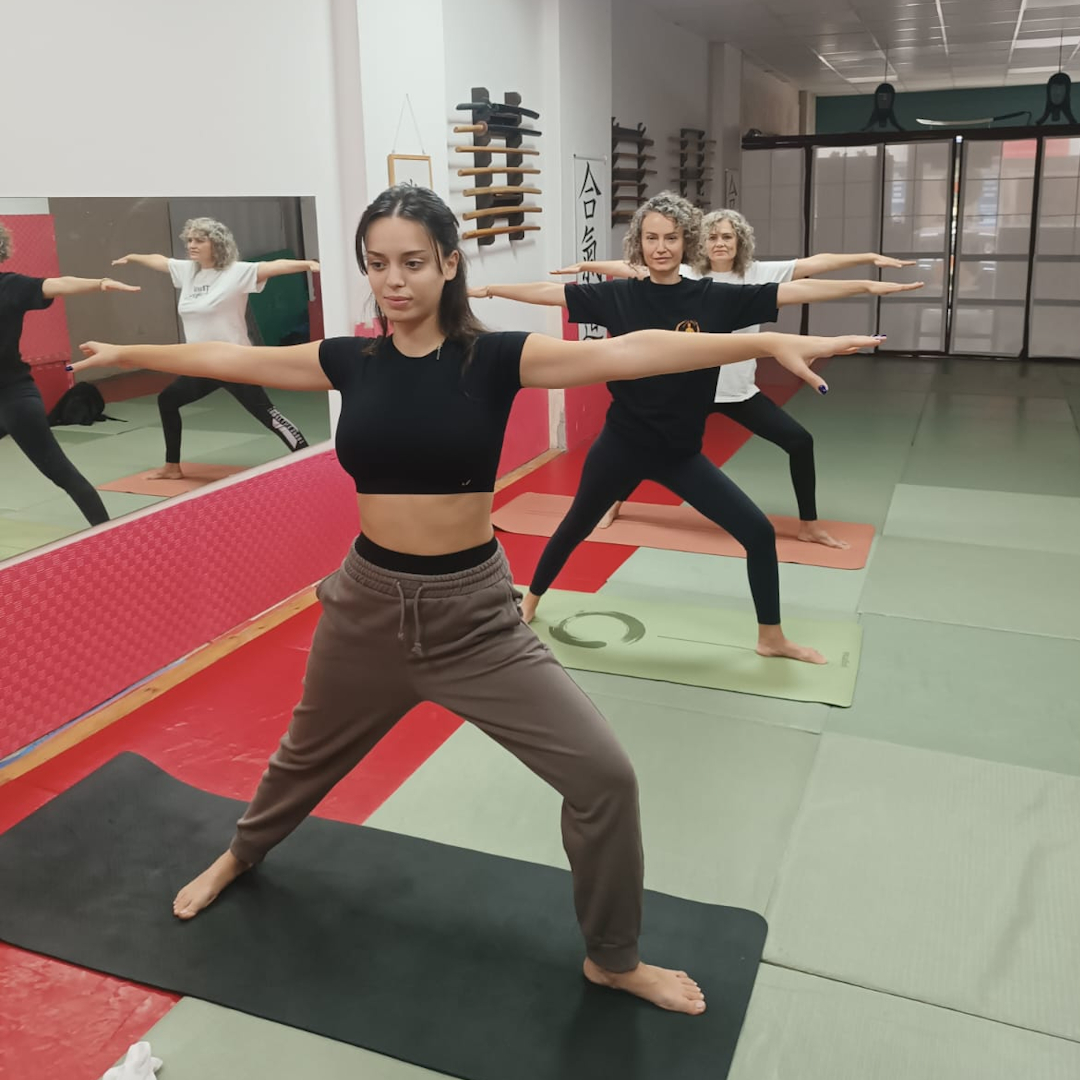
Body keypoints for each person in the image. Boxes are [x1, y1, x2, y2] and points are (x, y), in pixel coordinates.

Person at [72, 184, 879, 1017]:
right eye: (377, 264)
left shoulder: (494, 359)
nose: (394, 280)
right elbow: (233, 362)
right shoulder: (351, 361)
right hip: (367, 606)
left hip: (475, 617)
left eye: (413, 263)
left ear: (449, 264)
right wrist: (128, 350)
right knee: (303, 759)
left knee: (605, 779)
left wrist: (769, 339)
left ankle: (613, 958)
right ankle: (241, 854)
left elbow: (631, 353)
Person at [471, 192, 919, 659]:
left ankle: (771, 638)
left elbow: (792, 291)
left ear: (687, 242)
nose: (660, 247)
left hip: (679, 453)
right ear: (638, 243)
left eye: (670, 238)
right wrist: (491, 290)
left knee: (758, 533)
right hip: (620, 445)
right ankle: (530, 602)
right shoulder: (617, 295)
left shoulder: (714, 298)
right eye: (651, 238)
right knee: (573, 527)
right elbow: (551, 293)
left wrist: (864, 287)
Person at [556, 208, 915, 543]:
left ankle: (809, 525)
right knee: (645, 444)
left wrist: (867, 264)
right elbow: (632, 268)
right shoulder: (688, 275)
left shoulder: (758, 275)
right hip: (687, 393)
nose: (720, 244)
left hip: (737, 392)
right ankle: (613, 503)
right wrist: (588, 264)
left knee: (799, 441)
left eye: (727, 237)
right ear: (700, 243)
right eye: (712, 237)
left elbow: (815, 265)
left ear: (739, 240)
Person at [112, 217, 317, 480]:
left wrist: (308, 264)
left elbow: (273, 266)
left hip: (234, 362)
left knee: (267, 415)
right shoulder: (188, 271)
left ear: (217, 244)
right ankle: (172, 467)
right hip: (201, 364)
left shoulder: (236, 272)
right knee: (168, 400)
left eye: (199, 240)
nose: (191, 245)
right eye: (189, 240)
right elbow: (160, 261)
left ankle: (307, 456)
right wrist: (133, 257)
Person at [0, 219, 139, 527]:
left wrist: (99, 283)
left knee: (61, 472)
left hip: (13, 398)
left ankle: (107, 534)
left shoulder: (10, 286)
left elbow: (58, 284)